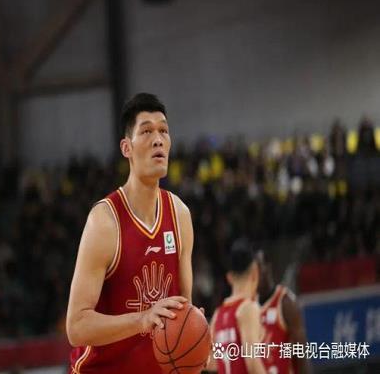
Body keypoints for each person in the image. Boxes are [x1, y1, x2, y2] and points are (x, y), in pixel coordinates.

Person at [66, 93, 194, 373]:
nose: (158, 139)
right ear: (126, 147)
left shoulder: (180, 215)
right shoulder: (104, 222)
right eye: (146, 131)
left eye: (163, 131)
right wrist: (143, 319)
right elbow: (76, 327)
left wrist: (193, 331)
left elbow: (184, 310)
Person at [206, 239, 266, 374]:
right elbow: (253, 363)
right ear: (255, 272)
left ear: (229, 278)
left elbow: (211, 362)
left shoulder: (218, 314)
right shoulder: (248, 308)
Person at [257, 250, 311, 374]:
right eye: (253, 270)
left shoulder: (285, 302)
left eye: (260, 267)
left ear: (268, 267)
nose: (257, 274)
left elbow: (301, 352)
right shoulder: (249, 306)